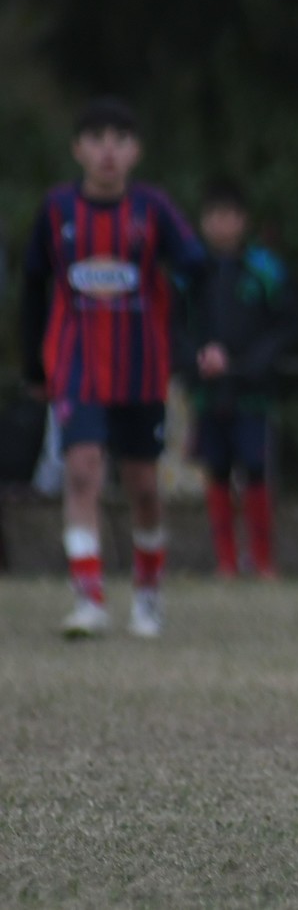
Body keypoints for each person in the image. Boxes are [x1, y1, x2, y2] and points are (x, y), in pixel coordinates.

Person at [19, 96, 207, 638]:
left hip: (141, 368)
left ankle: (147, 597)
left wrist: (193, 339)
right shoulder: (57, 211)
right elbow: (33, 288)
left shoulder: (154, 210)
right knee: (81, 472)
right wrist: (34, 365)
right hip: (77, 365)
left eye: (119, 140)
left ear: (135, 151)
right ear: (78, 148)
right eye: (96, 138)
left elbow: (196, 269)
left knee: (143, 486)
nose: (107, 150)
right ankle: (89, 600)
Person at [177, 178, 298, 579]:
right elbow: (173, 327)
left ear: (242, 221)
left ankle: (263, 560)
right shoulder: (189, 272)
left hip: (252, 392)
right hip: (208, 392)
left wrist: (248, 364)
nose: (222, 225)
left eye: (230, 216)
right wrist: (197, 360)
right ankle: (225, 561)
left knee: (255, 468)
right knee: (215, 469)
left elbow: (285, 326)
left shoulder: (265, 269)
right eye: (214, 217)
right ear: (204, 221)